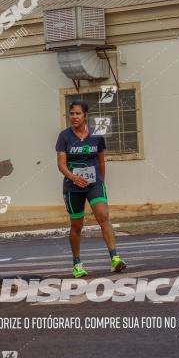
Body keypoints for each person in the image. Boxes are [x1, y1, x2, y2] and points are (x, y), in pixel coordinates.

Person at [56, 100, 127, 279]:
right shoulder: (64, 136)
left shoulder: (96, 135)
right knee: (76, 226)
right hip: (73, 187)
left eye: (78, 114)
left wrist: (101, 181)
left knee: (103, 216)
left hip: (94, 184)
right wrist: (73, 177)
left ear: (85, 115)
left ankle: (115, 259)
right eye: (71, 113)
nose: (74, 117)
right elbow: (61, 164)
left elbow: (102, 160)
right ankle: (77, 264)